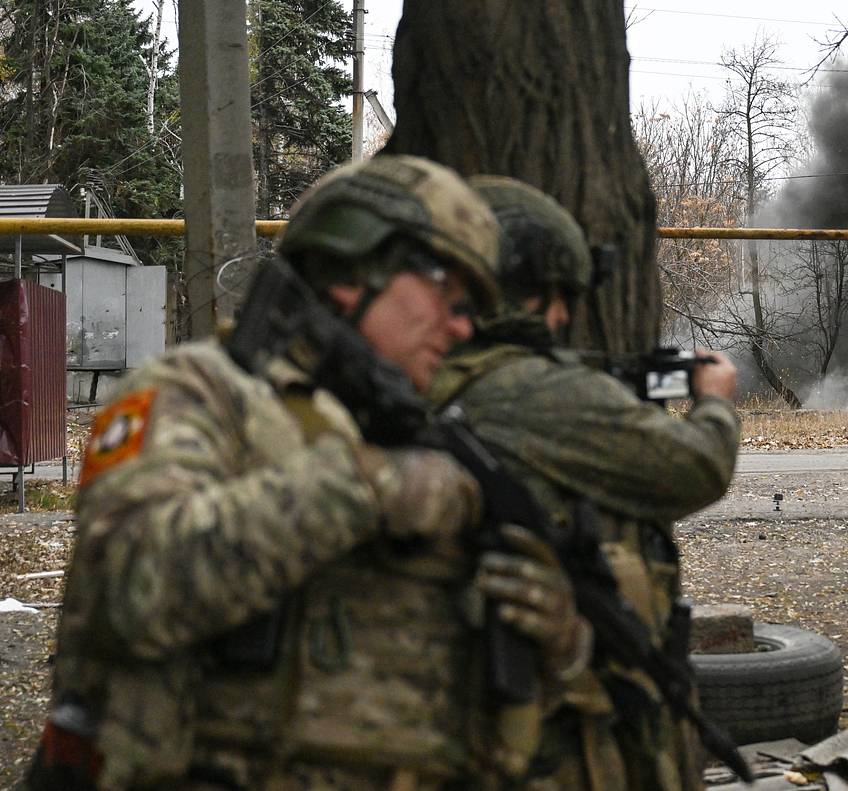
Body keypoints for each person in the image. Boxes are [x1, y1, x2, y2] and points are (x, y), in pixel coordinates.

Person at [30, 155, 588, 791]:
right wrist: (370, 488)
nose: (463, 325)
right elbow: (131, 587)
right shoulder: (203, 393)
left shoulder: (436, 441)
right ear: (358, 269)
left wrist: (561, 641)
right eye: (449, 294)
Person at [429, 176, 740, 791]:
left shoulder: (416, 372)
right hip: (540, 710)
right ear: (525, 290)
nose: (567, 316)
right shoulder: (532, 392)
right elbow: (695, 468)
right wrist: (715, 405)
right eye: (558, 296)